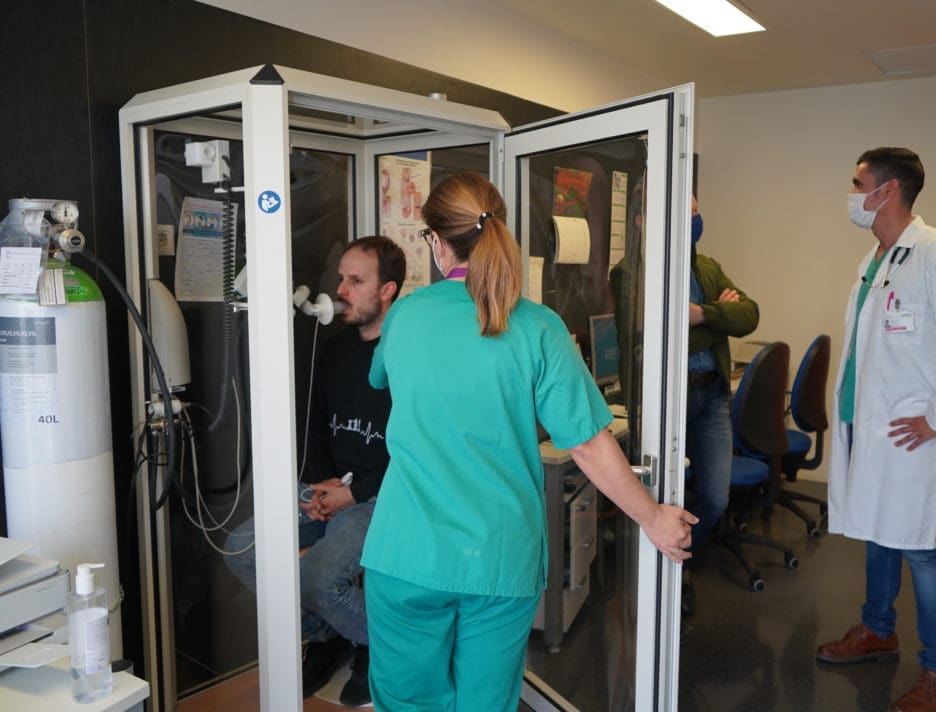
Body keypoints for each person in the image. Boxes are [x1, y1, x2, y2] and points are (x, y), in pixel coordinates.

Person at [360, 172, 696, 711]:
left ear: (437, 242)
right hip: (499, 556)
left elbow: (380, 377)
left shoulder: (406, 314)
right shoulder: (539, 326)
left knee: (405, 703)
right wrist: (652, 517)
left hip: (407, 552)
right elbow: (587, 444)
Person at [816, 148, 936, 712]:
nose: (852, 194)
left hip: (914, 433)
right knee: (879, 531)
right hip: (870, 428)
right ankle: (877, 628)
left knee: (921, 549)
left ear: (888, 191)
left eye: (859, 183)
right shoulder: (876, 260)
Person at [224, 235, 405, 707]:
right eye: (341, 278)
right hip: (331, 486)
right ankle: (330, 633)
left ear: (387, 290)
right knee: (242, 550)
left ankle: (376, 646)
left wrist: (353, 493)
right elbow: (317, 424)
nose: (340, 290)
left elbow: (415, 452)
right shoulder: (335, 350)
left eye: (355, 281)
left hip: (382, 496)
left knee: (320, 579)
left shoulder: (409, 357)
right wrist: (320, 484)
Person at [681, 193, 759, 614]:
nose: (695, 218)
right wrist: (719, 317)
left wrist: (702, 314)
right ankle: (674, 573)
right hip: (674, 399)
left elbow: (750, 315)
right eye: (687, 210)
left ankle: (681, 557)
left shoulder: (708, 267)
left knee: (716, 498)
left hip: (712, 395)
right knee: (668, 495)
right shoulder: (636, 270)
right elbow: (661, 334)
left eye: (696, 211)